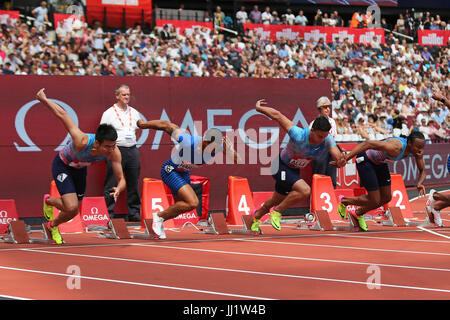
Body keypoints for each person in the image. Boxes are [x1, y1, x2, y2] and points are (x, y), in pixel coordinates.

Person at [37, 88, 126, 244]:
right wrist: (44, 100)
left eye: (113, 146)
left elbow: (121, 178)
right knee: (71, 207)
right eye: (107, 146)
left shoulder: (114, 152)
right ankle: (50, 203)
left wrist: (119, 188)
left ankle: (52, 223)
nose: (111, 150)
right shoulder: (81, 140)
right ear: (97, 143)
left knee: (73, 211)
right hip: (62, 165)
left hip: (80, 170)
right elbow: (62, 114)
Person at [251, 99, 347, 233]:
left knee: (274, 199)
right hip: (280, 166)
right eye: (319, 136)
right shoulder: (298, 134)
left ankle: (254, 219)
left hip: (294, 170)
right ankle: (277, 211)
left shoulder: (327, 139)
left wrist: (341, 161)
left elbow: (336, 154)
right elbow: (278, 116)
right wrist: (259, 109)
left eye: (324, 137)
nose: (322, 140)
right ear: (312, 130)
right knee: (305, 190)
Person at [136, 120, 240, 238]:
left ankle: (160, 220)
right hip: (170, 171)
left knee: (181, 206)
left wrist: (230, 150)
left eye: (216, 149)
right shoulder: (188, 141)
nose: (214, 152)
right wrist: (143, 125)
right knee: (193, 202)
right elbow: (166, 125)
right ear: (204, 142)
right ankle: (159, 216)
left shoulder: (218, 145)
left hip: (184, 173)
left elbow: (237, 160)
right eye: (212, 149)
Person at [337, 131, 426, 231]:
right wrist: (347, 158)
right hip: (365, 159)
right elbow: (367, 144)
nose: (420, 150)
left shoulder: (417, 152)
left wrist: (420, 183)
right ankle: (344, 201)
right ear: (409, 143)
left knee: (386, 197)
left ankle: (357, 213)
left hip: (380, 162)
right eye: (418, 147)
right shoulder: (395, 147)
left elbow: (422, 170)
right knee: (374, 199)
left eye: (422, 147)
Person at [100, 84, 143, 221]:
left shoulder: (135, 112)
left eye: (128, 94)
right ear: (117, 95)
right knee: (112, 182)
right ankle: (109, 214)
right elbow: (101, 132)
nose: (126, 97)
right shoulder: (108, 113)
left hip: (132, 149)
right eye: (124, 95)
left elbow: (138, 130)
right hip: (116, 149)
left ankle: (134, 214)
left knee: (133, 182)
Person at [309, 96, 338, 188]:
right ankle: (318, 197)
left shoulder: (332, 122)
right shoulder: (314, 123)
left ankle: (332, 195)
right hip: (319, 151)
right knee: (320, 176)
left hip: (331, 151)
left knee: (332, 177)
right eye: (325, 107)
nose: (328, 109)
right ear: (319, 108)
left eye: (329, 106)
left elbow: (334, 137)